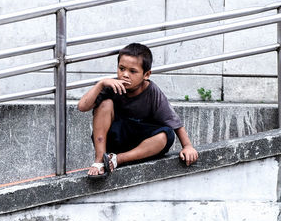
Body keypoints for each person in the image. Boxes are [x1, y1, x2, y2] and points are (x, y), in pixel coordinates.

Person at [77, 43, 198, 178]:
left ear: (146, 74)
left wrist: (187, 146)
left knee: (167, 135)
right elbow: (82, 107)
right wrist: (101, 84)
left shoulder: (152, 91)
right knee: (105, 103)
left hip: (142, 145)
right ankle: (100, 160)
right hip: (116, 138)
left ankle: (117, 159)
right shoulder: (110, 86)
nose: (125, 75)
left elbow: (173, 121)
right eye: (121, 69)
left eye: (132, 71)